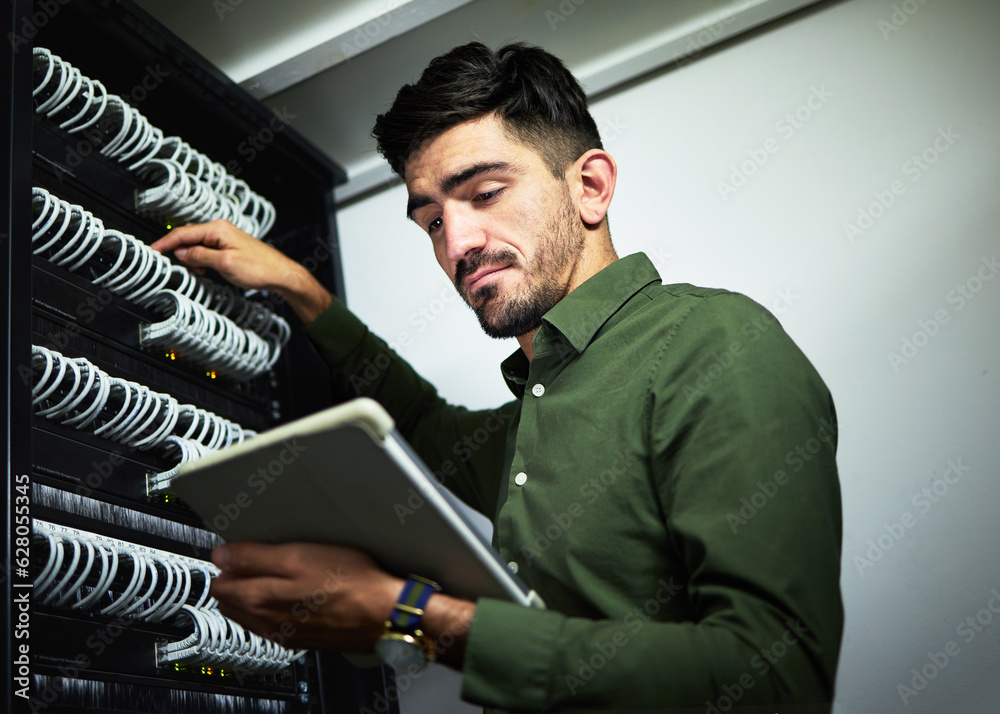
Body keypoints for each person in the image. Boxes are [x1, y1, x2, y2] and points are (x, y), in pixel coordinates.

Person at [151, 42, 843, 713]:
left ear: (591, 187)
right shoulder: (538, 409)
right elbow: (421, 425)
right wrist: (304, 292)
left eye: (484, 193)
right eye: (430, 222)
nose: (457, 245)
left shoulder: (715, 344)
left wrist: (410, 616)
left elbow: (776, 682)